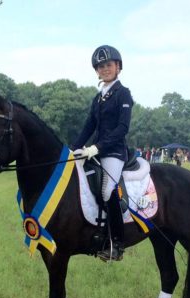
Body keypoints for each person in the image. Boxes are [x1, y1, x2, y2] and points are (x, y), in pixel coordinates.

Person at [72, 45, 134, 262]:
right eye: (101, 66)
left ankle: (117, 243)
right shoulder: (98, 98)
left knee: (108, 191)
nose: (105, 69)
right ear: (96, 71)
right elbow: (88, 127)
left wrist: (97, 147)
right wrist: (73, 149)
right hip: (96, 152)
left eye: (108, 65)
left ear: (118, 67)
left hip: (114, 153)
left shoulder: (123, 94)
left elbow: (122, 129)